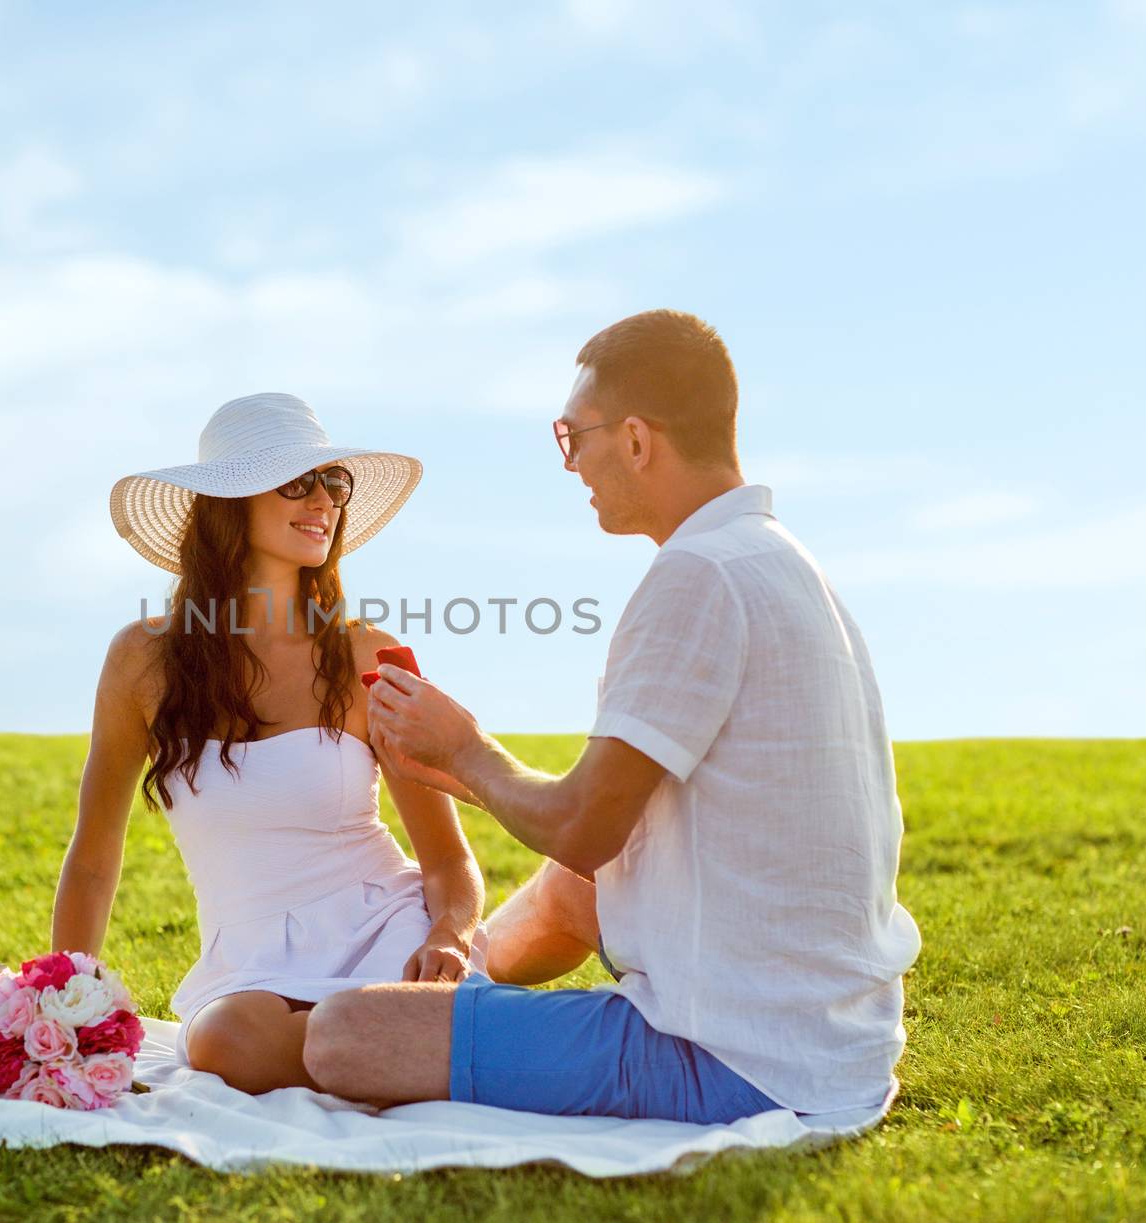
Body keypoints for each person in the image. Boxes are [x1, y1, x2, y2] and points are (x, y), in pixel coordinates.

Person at [302, 310, 923, 1124]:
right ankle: (468, 981)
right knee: (573, 892)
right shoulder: (776, 558)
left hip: (734, 1060)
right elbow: (594, 859)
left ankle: (435, 1015)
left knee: (344, 1033)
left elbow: (585, 824)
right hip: (829, 1040)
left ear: (635, 439)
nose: (573, 463)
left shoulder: (696, 575)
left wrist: (464, 751)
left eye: (574, 435)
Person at [51, 392, 487, 1095]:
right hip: (248, 970)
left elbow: (447, 861)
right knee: (225, 1042)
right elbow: (95, 857)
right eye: (296, 481)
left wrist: (449, 936)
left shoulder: (365, 656)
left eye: (333, 482)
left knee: (361, 1019)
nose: (323, 500)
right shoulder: (141, 660)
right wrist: (60, 1001)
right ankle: (423, 1058)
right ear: (229, 504)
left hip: (388, 936)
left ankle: (409, 1047)